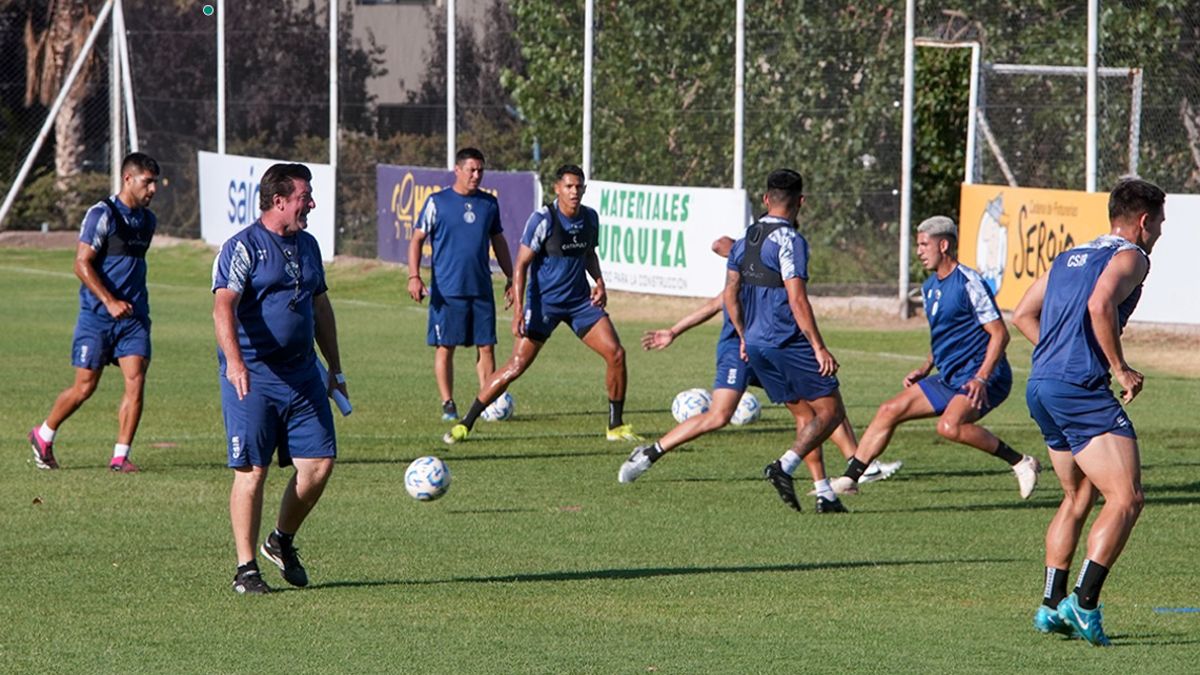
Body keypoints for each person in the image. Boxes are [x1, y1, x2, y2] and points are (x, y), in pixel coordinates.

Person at [619, 237, 902, 498]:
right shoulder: (750, 263)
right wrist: (674, 331)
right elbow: (718, 264)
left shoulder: (779, 274)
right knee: (719, 415)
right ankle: (648, 454)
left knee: (818, 403)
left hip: (768, 349)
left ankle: (845, 473)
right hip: (738, 351)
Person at [1012, 177, 1165, 646]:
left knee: (1078, 498)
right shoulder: (1132, 257)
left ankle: (1050, 604)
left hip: (1042, 386)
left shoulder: (1068, 257)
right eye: (1159, 222)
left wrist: (1057, 356)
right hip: (1078, 389)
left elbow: (1021, 314)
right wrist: (1119, 368)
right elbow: (1100, 303)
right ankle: (1083, 602)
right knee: (1127, 498)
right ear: (1142, 221)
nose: (1160, 231)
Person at [829, 216, 1040, 498]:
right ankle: (850, 479)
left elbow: (1000, 334)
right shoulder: (930, 287)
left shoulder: (968, 282)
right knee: (889, 410)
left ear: (943, 245)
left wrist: (980, 377)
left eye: (923, 244)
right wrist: (926, 366)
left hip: (985, 376)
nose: (919, 251)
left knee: (949, 426)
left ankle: (1022, 462)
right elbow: (945, 334)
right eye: (918, 245)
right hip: (952, 376)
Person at [212, 163, 348, 595]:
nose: (311, 203)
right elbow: (223, 309)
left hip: (303, 373)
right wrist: (235, 363)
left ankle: (281, 540)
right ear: (278, 201)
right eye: (304, 196)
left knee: (320, 464)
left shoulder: (308, 245)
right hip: (253, 377)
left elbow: (321, 309)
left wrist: (336, 369)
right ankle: (246, 568)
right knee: (252, 472)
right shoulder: (242, 247)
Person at [443, 164, 642, 445]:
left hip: (579, 304)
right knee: (515, 366)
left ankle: (615, 425)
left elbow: (589, 254)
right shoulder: (543, 219)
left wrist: (599, 282)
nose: (575, 192)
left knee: (617, 354)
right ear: (557, 189)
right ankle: (466, 423)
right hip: (544, 305)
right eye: (569, 186)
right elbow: (522, 265)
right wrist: (519, 312)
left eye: (579, 186)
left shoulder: (590, 219)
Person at [722, 169, 848, 513]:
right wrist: (819, 346)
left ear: (766, 199)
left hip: (757, 344)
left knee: (807, 416)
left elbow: (730, 292)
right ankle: (784, 466)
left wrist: (744, 335)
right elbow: (797, 300)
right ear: (801, 202)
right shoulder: (791, 241)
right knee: (832, 411)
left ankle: (825, 494)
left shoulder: (747, 237)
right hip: (786, 341)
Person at [28, 153, 160, 473]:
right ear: (128, 179)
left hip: (133, 318)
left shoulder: (148, 220)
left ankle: (120, 456)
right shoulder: (103, 214)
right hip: (97, 316)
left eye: (155, 182)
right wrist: (110, 300)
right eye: (148, 182)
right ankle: (43, 434)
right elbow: (81, 263)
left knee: (136, 380)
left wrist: (128, 305)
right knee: (85, 387)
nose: (153, 189)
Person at [408, 147, 515, 421]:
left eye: (480, 170)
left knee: (487, 346)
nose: (477, 175)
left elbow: (499, 241)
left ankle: (486, 401)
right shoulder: (437, 202)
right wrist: (414, 276)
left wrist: (511, 278)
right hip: (447, 291)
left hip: (480, 288)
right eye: (471, 170)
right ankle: (448, 404)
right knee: (446, 347)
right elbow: (417, 239)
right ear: (457, 170)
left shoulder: (488, 204)